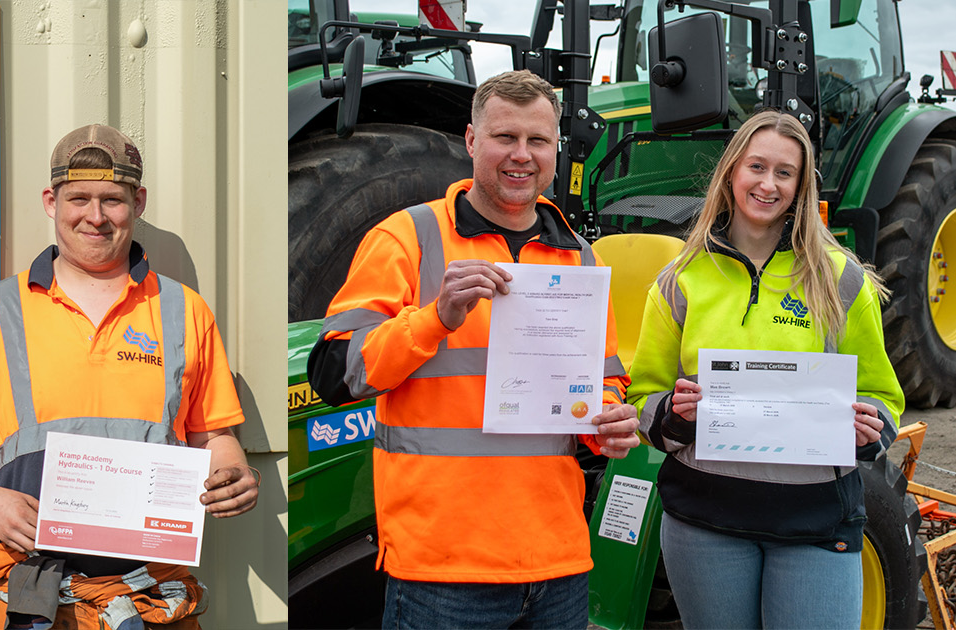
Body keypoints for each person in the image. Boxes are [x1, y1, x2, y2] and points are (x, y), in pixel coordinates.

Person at [307, 70, 642, 629]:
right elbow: (335, 375)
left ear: (555, 149)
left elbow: (600, 380)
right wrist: (434, 318)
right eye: (504, 138)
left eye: (538, 141)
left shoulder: (582, 260)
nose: (522, 155)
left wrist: (607, 422)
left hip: (557, 560)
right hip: (441, 571)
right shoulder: (406, 238)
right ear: (470, 141)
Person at [0, 123, 259, 630]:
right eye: (78, 198)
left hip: (154, 594)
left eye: (113, 199)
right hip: (34, 595)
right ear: (50, 200)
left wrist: (233, 474)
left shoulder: (183, 310)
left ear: (139, 201)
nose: (95, 216)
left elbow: (214, 434)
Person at [626, 109, 903, 628]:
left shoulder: (840, 280)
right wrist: (674, 414)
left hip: (816, 519)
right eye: (757, 166)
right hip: (705, 522)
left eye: (784, 172)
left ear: (801, 187)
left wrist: (869, 430)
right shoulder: (680, 280)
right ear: (732, 172)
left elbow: (883, 396)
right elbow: (644, 399)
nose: (767, 184)